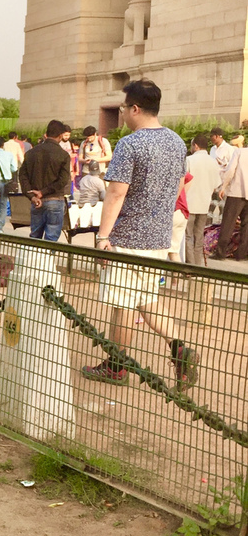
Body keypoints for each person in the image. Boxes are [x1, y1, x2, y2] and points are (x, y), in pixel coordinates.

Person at [82, 79, 198, 389]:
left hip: (128, 238)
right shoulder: (176, 142)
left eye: (123, 107)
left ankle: (116, 365)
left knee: (123, 303)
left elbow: (117, 193)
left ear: (135, 108)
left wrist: (102, 236)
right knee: (147, 299)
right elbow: (178, 187)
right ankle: (180, 347)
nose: (122, 113)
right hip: (157, 239)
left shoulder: (130, 144)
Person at [18, 120, 70, 241]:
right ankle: (47, 260)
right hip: (55, 200)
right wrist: (44, 192)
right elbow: (63, 180)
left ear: (46, 134)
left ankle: (33, 260)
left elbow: (23, 176)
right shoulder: (63, 155)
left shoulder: (31, 153)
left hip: (36, 201)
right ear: (61, 135)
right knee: (51, 239)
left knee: (34, 237)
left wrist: (32, 196)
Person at [184, 135, 220, 265]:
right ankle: (198, 264)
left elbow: (182, 181)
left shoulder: (189, 160)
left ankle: (190, 264)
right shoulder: (213, 161)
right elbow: (217, 185)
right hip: (204, 204)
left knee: (188, 236)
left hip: (189, 203)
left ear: (196, 145)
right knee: (199, 236)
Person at [212, 146, 248, 261]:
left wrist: (224, 186)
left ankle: (221, 253)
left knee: (228, 223)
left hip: (236, 192)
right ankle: (241, 254)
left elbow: (231, 170)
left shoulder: (240, 152)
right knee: (246, 226)